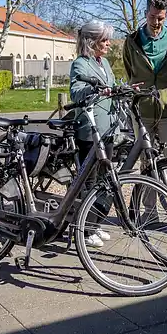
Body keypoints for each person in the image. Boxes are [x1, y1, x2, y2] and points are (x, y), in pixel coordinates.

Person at [122, 0, 167, 199]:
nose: (156, 22)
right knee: (146, 162)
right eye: (152, 17)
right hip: (142, 111)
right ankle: (149, 213)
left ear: (166, 16)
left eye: (160, 18)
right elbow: (129, 71)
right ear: (145, 13)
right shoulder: (132, 41)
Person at [70, 19, 116, 248]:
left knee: (104, 179)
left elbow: (112, 87)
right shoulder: (80, 64)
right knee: (89, 182)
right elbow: (76, 93)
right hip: (89, 130)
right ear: (92, 42)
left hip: (107, 129)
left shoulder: (104, 63)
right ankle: (85, 230)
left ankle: (95, 224)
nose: (108, 44)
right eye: (104, 40)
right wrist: (93, 88)